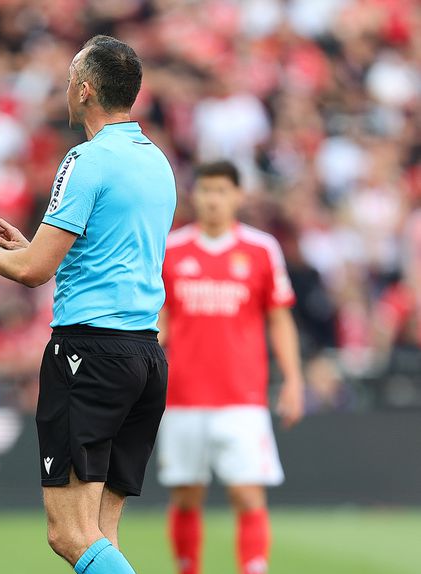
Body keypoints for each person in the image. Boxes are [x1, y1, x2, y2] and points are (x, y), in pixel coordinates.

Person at [0, 35, 176, 574]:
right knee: (99, 536)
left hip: (88, 353)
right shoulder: (156, 161)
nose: (64, 89)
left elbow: (31, 272)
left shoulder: (85, 159)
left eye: (70, 79)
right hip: (143, 356)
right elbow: (105, 255)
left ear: (85, 89)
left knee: (67, 534)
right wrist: (28, 247)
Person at [157, 160, 305, 574]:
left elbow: (279, 317)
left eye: (221, 191)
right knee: (186, 494)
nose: (213, 200)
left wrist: (293, 379)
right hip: (182, 396)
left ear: (238, 196)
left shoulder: (261, 249)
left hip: (242, 396)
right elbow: (160, 321)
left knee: (247, 493)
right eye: (206, 191)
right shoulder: (171, 249)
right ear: (195, 196)